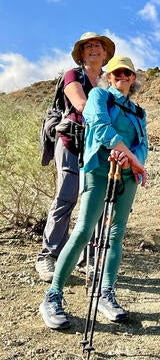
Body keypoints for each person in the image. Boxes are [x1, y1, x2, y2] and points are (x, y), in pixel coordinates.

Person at [39, 56, 148, 329]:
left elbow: (143, 144)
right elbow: (100, 126)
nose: (122, 75)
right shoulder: (99, 95)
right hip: (98, 170)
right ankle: (53, 296)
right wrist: (129, 156)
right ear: (109, 77)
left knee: (116, 233)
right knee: (84, 230)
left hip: (126, 175)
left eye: (127, 72)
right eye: (116, 72)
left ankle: (106, 292)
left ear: (133, 78)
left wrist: (132, 159)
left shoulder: (139, 111)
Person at [35, 31, 115, 283]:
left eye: (98, 46)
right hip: (70, 140)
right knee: (67, 194)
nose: (93, 49)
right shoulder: (73, 75)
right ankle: (48, 255)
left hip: (95, 146)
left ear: (105, 53)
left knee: (93, 202)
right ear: (81, 53)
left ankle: (86, 259)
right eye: (88, 46)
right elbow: (82, 105)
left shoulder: (108, 82)